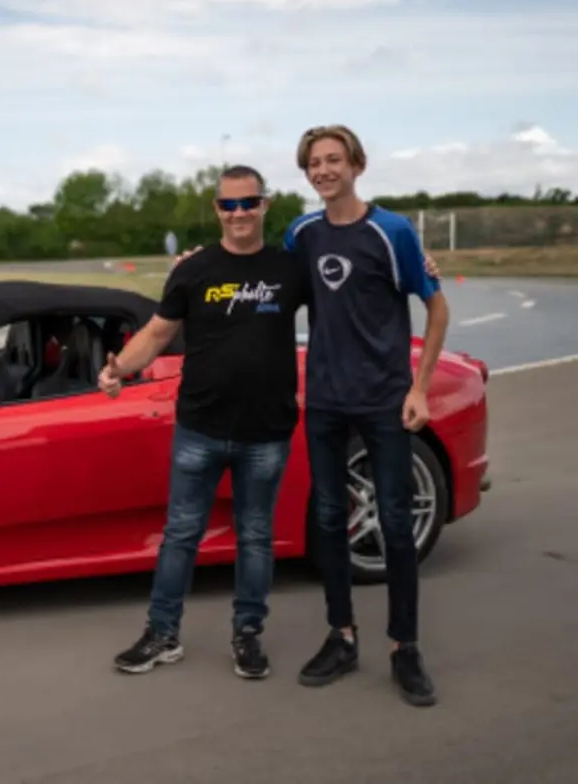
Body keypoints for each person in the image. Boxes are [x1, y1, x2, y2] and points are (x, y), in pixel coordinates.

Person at [102, 164, 306, 680]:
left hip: (267, 430)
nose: (239, 213)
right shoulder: (193, 270)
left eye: (248, 203)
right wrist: (117, 369)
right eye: (228, 205)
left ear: (265, 205)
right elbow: (155, 333)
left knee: (255, 536)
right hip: (201, 427)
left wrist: (419, 273)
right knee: (181, 535)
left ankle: (248, 636)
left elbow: (346, 305)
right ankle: (162, 633)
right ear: (217, 209)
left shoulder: (290, 270)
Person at [283, 125, 450, 708]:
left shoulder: (393, 232)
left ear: (357, 164)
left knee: (397, 525)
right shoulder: (300, 233)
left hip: (384, 399)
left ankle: (405, 647)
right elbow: (269, 288)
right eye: (314, 163)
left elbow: (436, 307)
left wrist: (420, 388)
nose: (323, 170)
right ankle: (342, 636)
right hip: (325, 399)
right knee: (329, 520)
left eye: (333, 160)